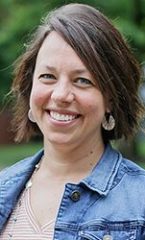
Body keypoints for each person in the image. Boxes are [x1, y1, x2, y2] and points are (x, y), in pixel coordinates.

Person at [0, 3, 145, 239]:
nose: (60, 95)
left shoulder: (140, 202)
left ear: (110, 98)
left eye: (82, 80)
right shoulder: (3, 187)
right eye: (48, 77)